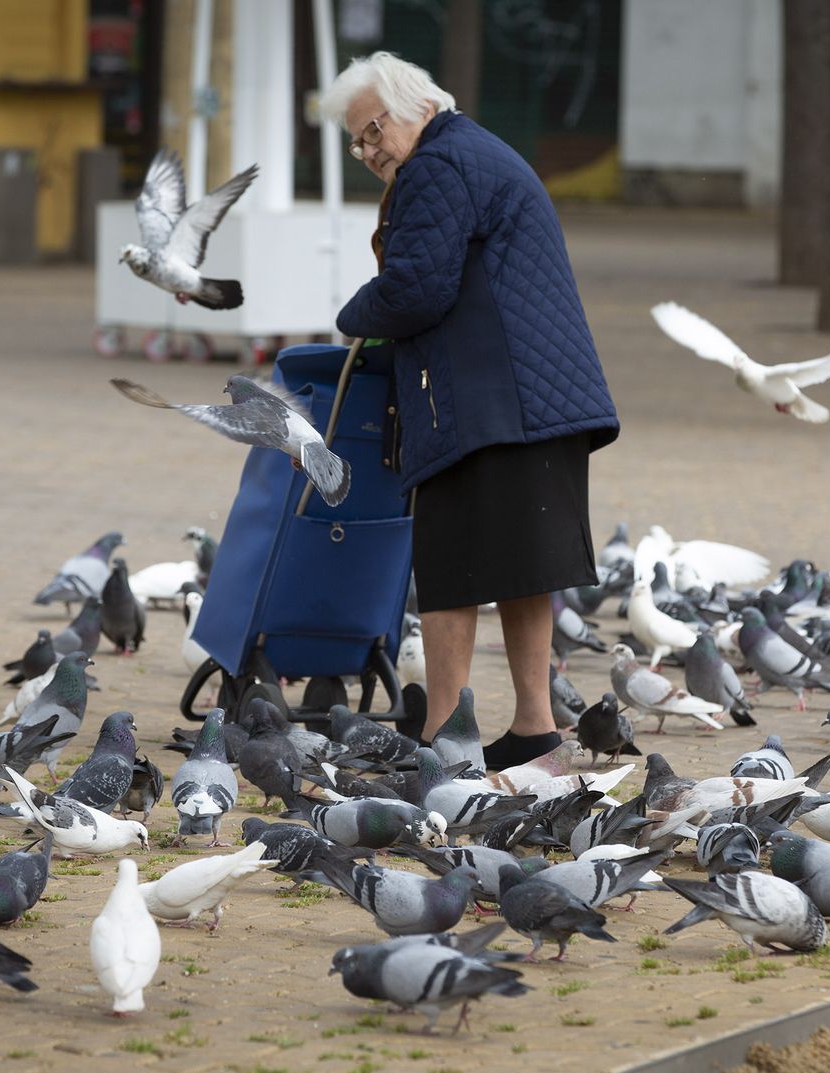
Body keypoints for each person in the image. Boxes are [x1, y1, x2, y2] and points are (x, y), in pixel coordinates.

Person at [318, 53, 619, 769]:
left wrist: (348, 316)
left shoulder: (437, 165)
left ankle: (441, 742)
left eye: (371, 133)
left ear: (413, 105)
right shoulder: (470, 149)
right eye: (356, 143)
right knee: (522, 569)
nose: (367, 153)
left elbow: (416, 290)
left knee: (450, 569)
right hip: (532, 398)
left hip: (492, 402)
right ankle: (536, 731)